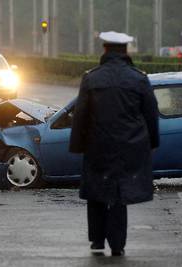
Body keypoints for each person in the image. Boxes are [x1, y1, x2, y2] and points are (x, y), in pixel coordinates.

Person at [69, 31, 159, 256]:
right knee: (120, 194)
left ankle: (97, 240)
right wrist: (152, 142)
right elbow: (150, 115)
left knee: (96, 189)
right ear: (126, 51)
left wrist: (78, 145)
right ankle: (118, 244)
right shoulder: (138, 78)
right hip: (130, 146)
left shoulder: (91, 78)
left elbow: (80, 115)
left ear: (105, 50)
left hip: (97, 145)